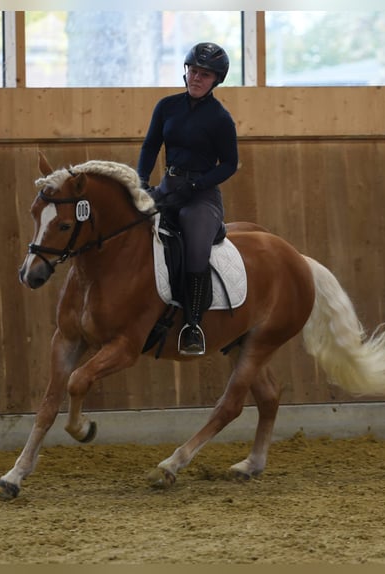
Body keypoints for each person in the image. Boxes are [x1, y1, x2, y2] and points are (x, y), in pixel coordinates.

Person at [137, 42, 239, 356]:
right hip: (167, 190)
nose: (196, 78)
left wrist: (197, 184)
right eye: (193, 71)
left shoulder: (220, 118)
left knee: (196, 247)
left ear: (215, 80)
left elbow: (230, 164)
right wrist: (141, 183)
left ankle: (193, 325)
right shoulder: (166, 106)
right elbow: (150, 146)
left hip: (201, 198)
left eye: (204, 74)